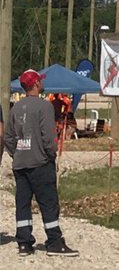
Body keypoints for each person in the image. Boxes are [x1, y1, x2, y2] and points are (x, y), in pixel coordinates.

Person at [5, 70, 78, 257]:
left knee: (23, 203)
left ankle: (24, 242)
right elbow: (48, 137)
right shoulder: (44, 107)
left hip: (21, 163)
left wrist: (17, 153)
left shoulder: (15, 108)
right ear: (36, 84)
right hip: (40, 162)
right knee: (48, 202)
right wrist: (50, 155)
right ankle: (54, 241)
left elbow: (9, 137)